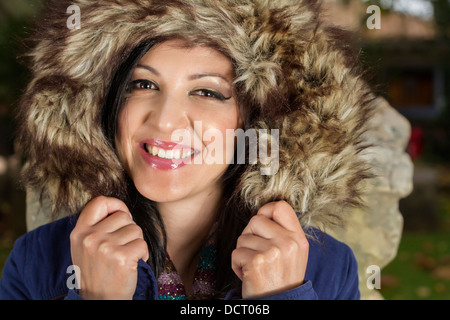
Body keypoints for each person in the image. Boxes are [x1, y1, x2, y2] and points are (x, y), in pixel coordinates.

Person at [0, 0, 374, 300]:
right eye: (143, 84)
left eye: (207, 92)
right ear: (104, 103)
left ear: (259, 120)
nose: (165, 121)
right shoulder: (37, 261)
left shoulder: (328, 267)